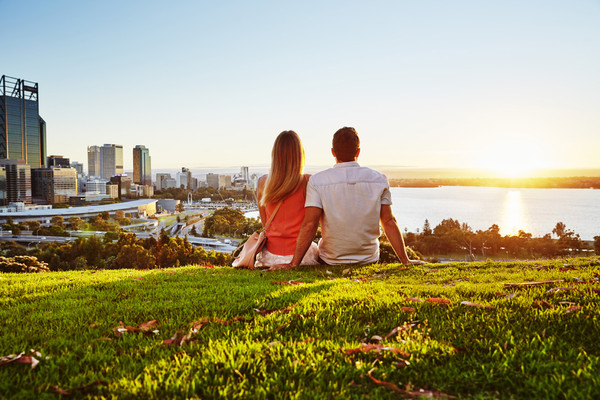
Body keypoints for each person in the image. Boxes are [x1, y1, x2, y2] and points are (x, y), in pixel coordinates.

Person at [271, 126, 424, 270]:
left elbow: (310, 224)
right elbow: (389, 222)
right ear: (358, 152)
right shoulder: (379, 179)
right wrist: (405, 260)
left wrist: (293, 263)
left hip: (331, 260)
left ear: (332, 152)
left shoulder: (318, 181)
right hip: (369, 259)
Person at [254, 130, 319, 267]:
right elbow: (312, 224)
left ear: (275, 155)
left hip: (270, 256)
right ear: (300, 155)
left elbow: (265, 223)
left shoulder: (262, 182)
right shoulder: (308, 182)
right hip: (301, 256)